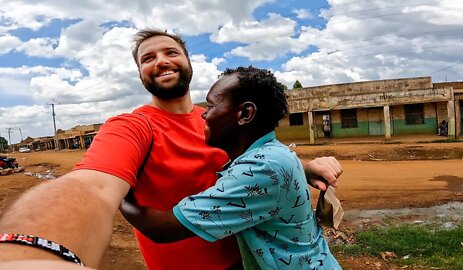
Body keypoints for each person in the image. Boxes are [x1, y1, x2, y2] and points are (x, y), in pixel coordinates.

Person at [0, 29, 342, 269]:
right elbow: (92, 186)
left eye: (171, 52)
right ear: (140, 73)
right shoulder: (132, 126)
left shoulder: (219, 123)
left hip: (252, 259)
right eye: (147, 58)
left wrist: (303, 165)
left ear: (188, 62)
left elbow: (259, 160)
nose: (160, 60)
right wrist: (29, 254)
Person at [121, 66, 342, 269]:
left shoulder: (259, 170)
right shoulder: (273, 153)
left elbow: (162, 229)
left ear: (245, 114)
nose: (203, 114)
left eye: (211, 105)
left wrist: (120, 191)